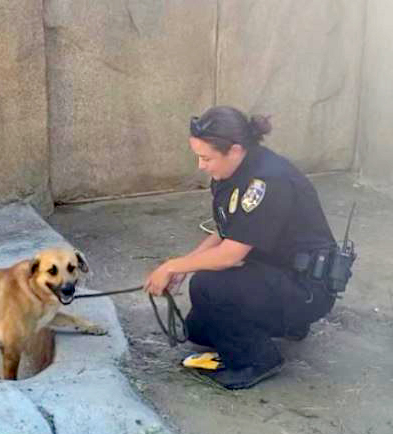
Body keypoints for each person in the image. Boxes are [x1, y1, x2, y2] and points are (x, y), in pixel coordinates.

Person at [144, 106, 338, 390]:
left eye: (206, 158)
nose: (201, 166)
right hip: (279, 270)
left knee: (209, 286)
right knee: (200, 327)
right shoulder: (234, 172)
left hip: (307, 288)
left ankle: (258, 360)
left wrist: (173, 266)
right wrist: (186, 263)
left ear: (234, 150)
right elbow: (226, 233)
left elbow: (230, 255)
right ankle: (284, 325)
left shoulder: (268, 182)